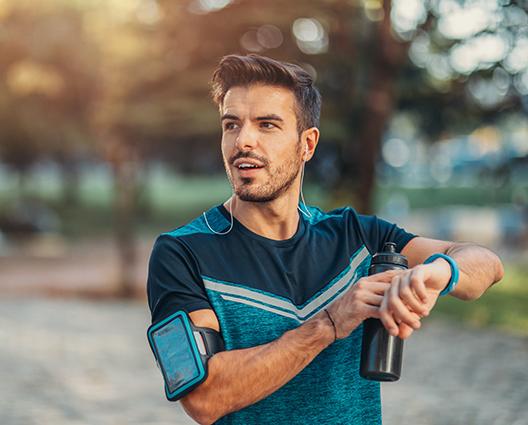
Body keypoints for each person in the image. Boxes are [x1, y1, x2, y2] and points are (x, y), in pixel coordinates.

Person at [147, 54, 504, 425]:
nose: (243, 140)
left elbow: (486, 264)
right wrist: (329, 323)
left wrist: (434, 276)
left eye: (267, 125)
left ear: (307, 144)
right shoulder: (181, 253)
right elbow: (205, 399)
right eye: (231, 124)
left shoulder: (357, 237)